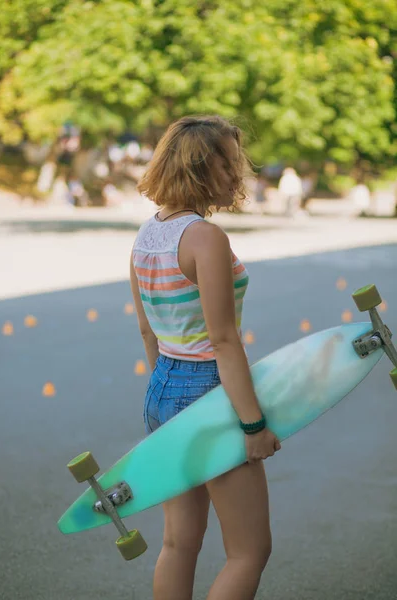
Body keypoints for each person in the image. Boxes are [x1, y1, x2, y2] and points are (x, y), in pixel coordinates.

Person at [129, 115, 281, 600]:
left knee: (179, 542)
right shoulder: (204, 238)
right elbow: (223, 341)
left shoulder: (147, 235)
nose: (239, 176)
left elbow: (147, 330)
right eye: (231, 163)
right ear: (202, 166)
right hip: (206, 390)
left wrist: (167, 397)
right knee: (249, 552)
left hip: (163, 388)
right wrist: (253, 426)